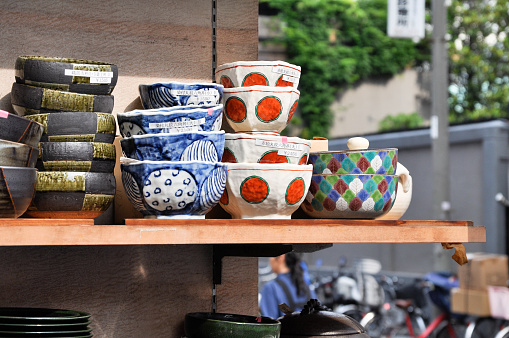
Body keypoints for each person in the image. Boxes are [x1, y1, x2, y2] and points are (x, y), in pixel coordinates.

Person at [259, 252, 317, 319]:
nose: (270, 259)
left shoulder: (271, 288)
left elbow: (269, 324)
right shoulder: (307, 287)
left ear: (281, 257)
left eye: (271, 256)